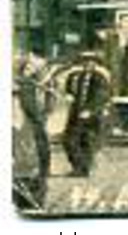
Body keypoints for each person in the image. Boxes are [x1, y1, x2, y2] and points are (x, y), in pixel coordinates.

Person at [13, 53, 54, 209]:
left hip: (32, 127)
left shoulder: (37, 85)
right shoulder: (26, 86)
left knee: (35, 160)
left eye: (31, 68)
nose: (27, 70)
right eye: (26, 67)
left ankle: (35, 198)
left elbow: (46, 104)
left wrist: (44, 115)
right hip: (25, 128)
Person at [62, 51, 113, 177]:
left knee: (87, 141)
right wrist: (68, 95)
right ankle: (77, 166)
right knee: (69, 140)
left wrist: (89, 110)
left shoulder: (100, 78)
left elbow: (100, 96)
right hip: (76, 112)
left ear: (95, 64)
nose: (88, 64)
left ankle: (84, 169)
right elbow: (68, 90)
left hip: (92, 115)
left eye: (91, 62)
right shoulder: (75, 77)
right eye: (85, 61)